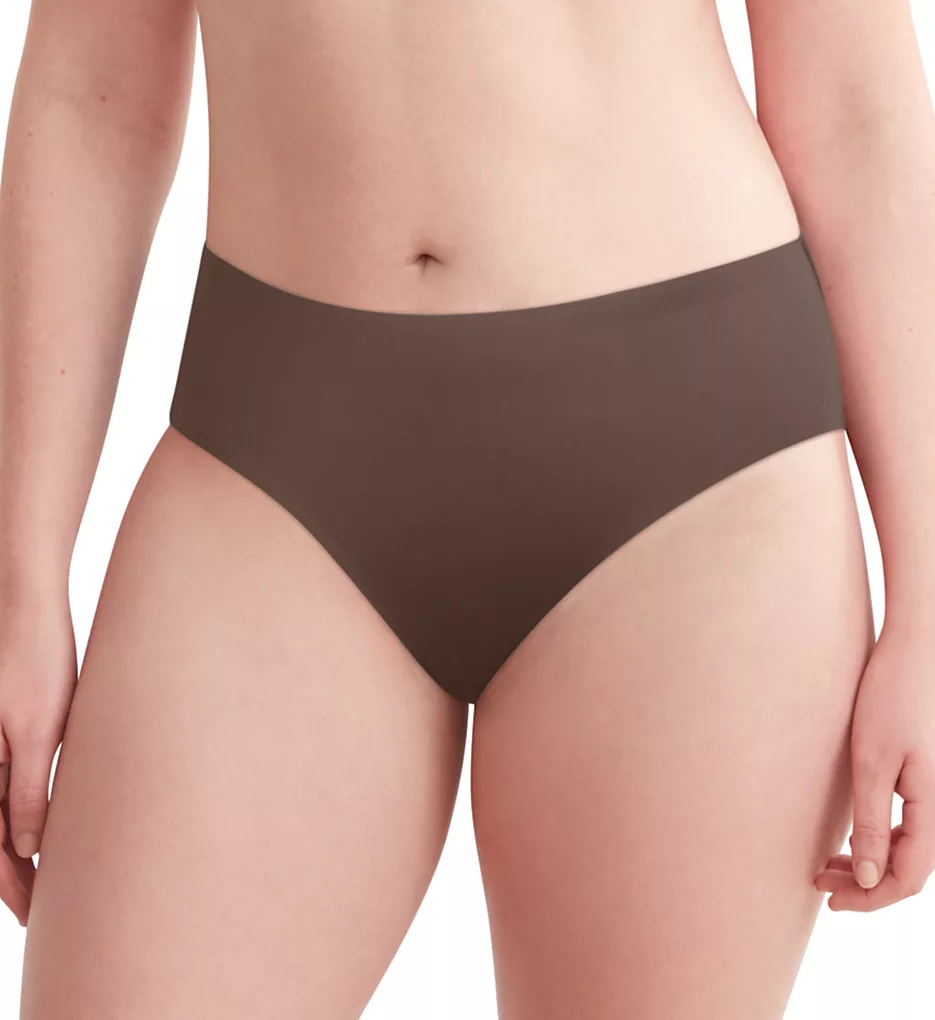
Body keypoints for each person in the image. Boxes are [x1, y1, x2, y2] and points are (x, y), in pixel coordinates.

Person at [1, 0, 933, 1016]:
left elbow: (854, 108)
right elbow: (92, 96)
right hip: (273, 447)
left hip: (696, 475)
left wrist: (926, 603)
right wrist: (19, 583)